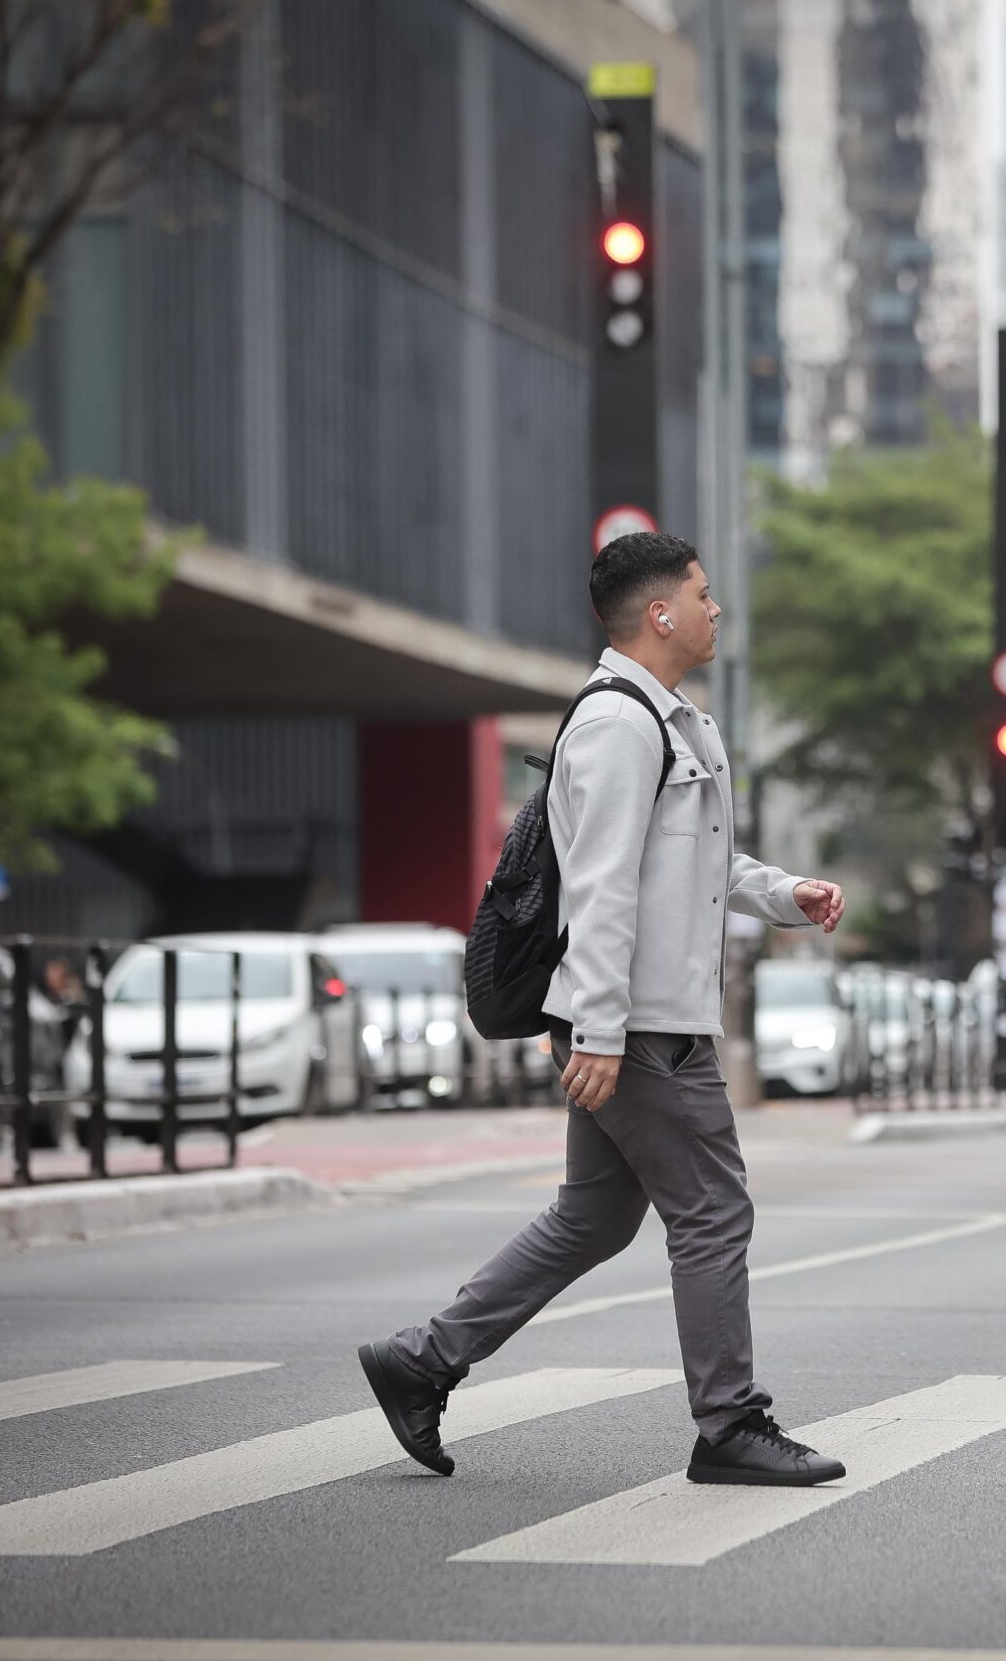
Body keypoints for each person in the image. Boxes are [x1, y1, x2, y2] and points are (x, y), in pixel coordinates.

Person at [361, 533, 850, 1488]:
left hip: (645, 1018)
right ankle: (730, 1424)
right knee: (713, 1212)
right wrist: (598, 1028)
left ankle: (422, 1360)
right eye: (704, 596)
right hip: (643, 1027)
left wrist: (785, 892)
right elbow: (602, 886)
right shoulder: (618, 725)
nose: (717, 610)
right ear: (659, 613)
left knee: (592, 1218)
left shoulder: (677, 722)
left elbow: (696, 869)